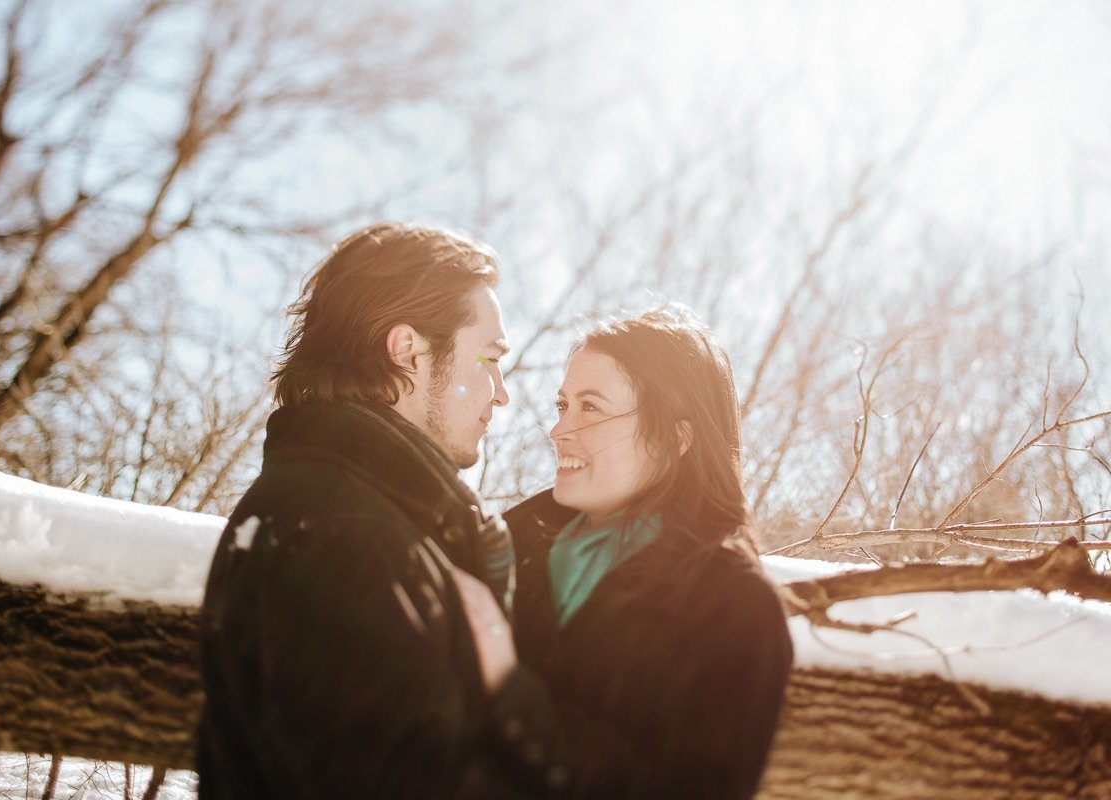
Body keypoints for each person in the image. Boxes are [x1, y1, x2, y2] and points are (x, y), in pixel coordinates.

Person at [198, 223, 568, 799]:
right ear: (407, 352)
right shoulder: (346, 541)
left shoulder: (340, 513)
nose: (501, 392)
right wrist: (517, 703)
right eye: (488, 358)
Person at [500, 308, 793, 799]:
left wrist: (506, 688)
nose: (559, 430)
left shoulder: (735, 609)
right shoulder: (502, 550)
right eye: (563, 405)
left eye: (591, 407)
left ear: (675, 438)